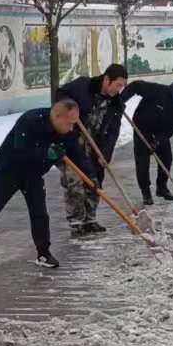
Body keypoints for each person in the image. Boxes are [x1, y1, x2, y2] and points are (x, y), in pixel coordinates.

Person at [0, 98, 91, 269]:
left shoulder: (67, 131)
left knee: (39, 213)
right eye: (69, 123)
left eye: (74, 124)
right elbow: (20, 150)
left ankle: (44, 254)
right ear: (57, 116)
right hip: (9, 170)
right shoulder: (31, 120)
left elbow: (78, 154)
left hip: (33, 174)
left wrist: (92, 178)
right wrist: (47, 153)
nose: (72, 128)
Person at [55, 64, 129, 238]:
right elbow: (60, 94)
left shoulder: (115, 103)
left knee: (95, 180)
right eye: (117, 85)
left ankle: (90, 219)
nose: (119, 89)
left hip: (96, 144)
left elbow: (113, 130)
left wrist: (107, 152)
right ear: (106, 79)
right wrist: (70, 110)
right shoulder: (83, 86)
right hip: (72, 141)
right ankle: (76, 222)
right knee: (75, 179)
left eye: (123, 86)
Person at [123, 80, 173, 204]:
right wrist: (120, 101)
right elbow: (136, 86)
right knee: (142, 162)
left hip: (159, 133)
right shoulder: (160, 92)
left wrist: (157, 141)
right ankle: (146, 193)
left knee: (167, 159)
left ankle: (161, 188)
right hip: (142, 128)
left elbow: (172, 128)